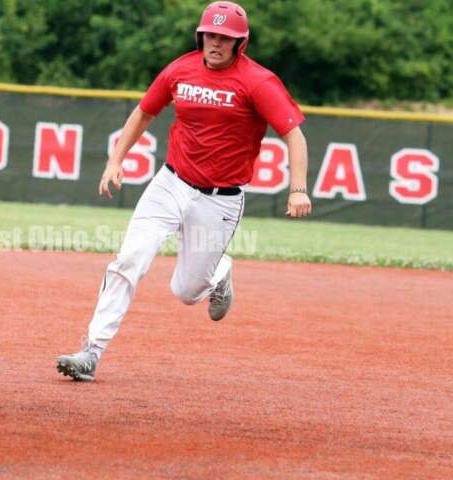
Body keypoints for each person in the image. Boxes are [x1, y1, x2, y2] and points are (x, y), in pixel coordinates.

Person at [56, 1, 312, 382]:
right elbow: (144, 112)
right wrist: (115, 160)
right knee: (129, 259)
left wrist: (298, 189)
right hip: (170, 183)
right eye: (211, 34)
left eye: (226, 38)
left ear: (240, 43)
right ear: (200, 35)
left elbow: (294, 134)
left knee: (186, 291)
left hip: (219, 199)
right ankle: (91, 351)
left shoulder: (258, 82)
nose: (216, 43)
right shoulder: (181, 69)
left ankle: (219, 272)